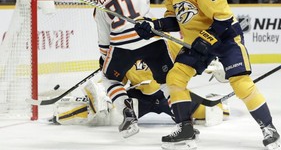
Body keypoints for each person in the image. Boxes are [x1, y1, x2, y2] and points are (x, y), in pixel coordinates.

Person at [135, 0, 281, 150]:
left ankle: (269, 129)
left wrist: (206, 39)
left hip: (224, 37)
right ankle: (186, 128)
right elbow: (175, 17)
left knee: (240, 82)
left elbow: (222, 18)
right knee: (175, 77)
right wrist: (153, 25)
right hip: (197, 41)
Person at [51, 40, 230, 127]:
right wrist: (103, 93)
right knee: (108, 117)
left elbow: (188, 59)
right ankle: (61, 115)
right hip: (140, 99)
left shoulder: (165, 43)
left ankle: (216, 103)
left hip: (168, 95)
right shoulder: (125, 52)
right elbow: (116, 81)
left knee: (213, 112)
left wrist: (213, 65)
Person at [92, 0, 174, 138]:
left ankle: (128, 114)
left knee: (109, 79)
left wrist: (104, 59)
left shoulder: (100, 4)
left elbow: (104, 42)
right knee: (168, 81)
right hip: (149, 36)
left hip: (122, 45)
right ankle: (184, 121)